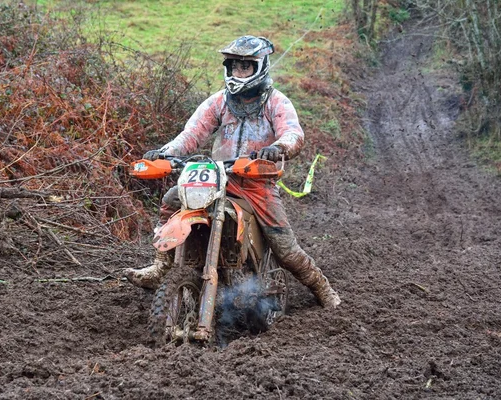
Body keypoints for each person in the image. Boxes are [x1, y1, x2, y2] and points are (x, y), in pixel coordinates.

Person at [124, 35, 340, 308]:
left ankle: (322, 287)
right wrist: (167, 152)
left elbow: (293, 133)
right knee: (171, 200)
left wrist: (278, 147)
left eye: (245, 67)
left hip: (257, 183)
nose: (238, 72)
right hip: (217, 178)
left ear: (260, 66)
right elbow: (191, 134)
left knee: (284, 249)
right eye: (234, 66)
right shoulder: (219, 102)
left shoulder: (276, 102)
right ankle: (161, 266)